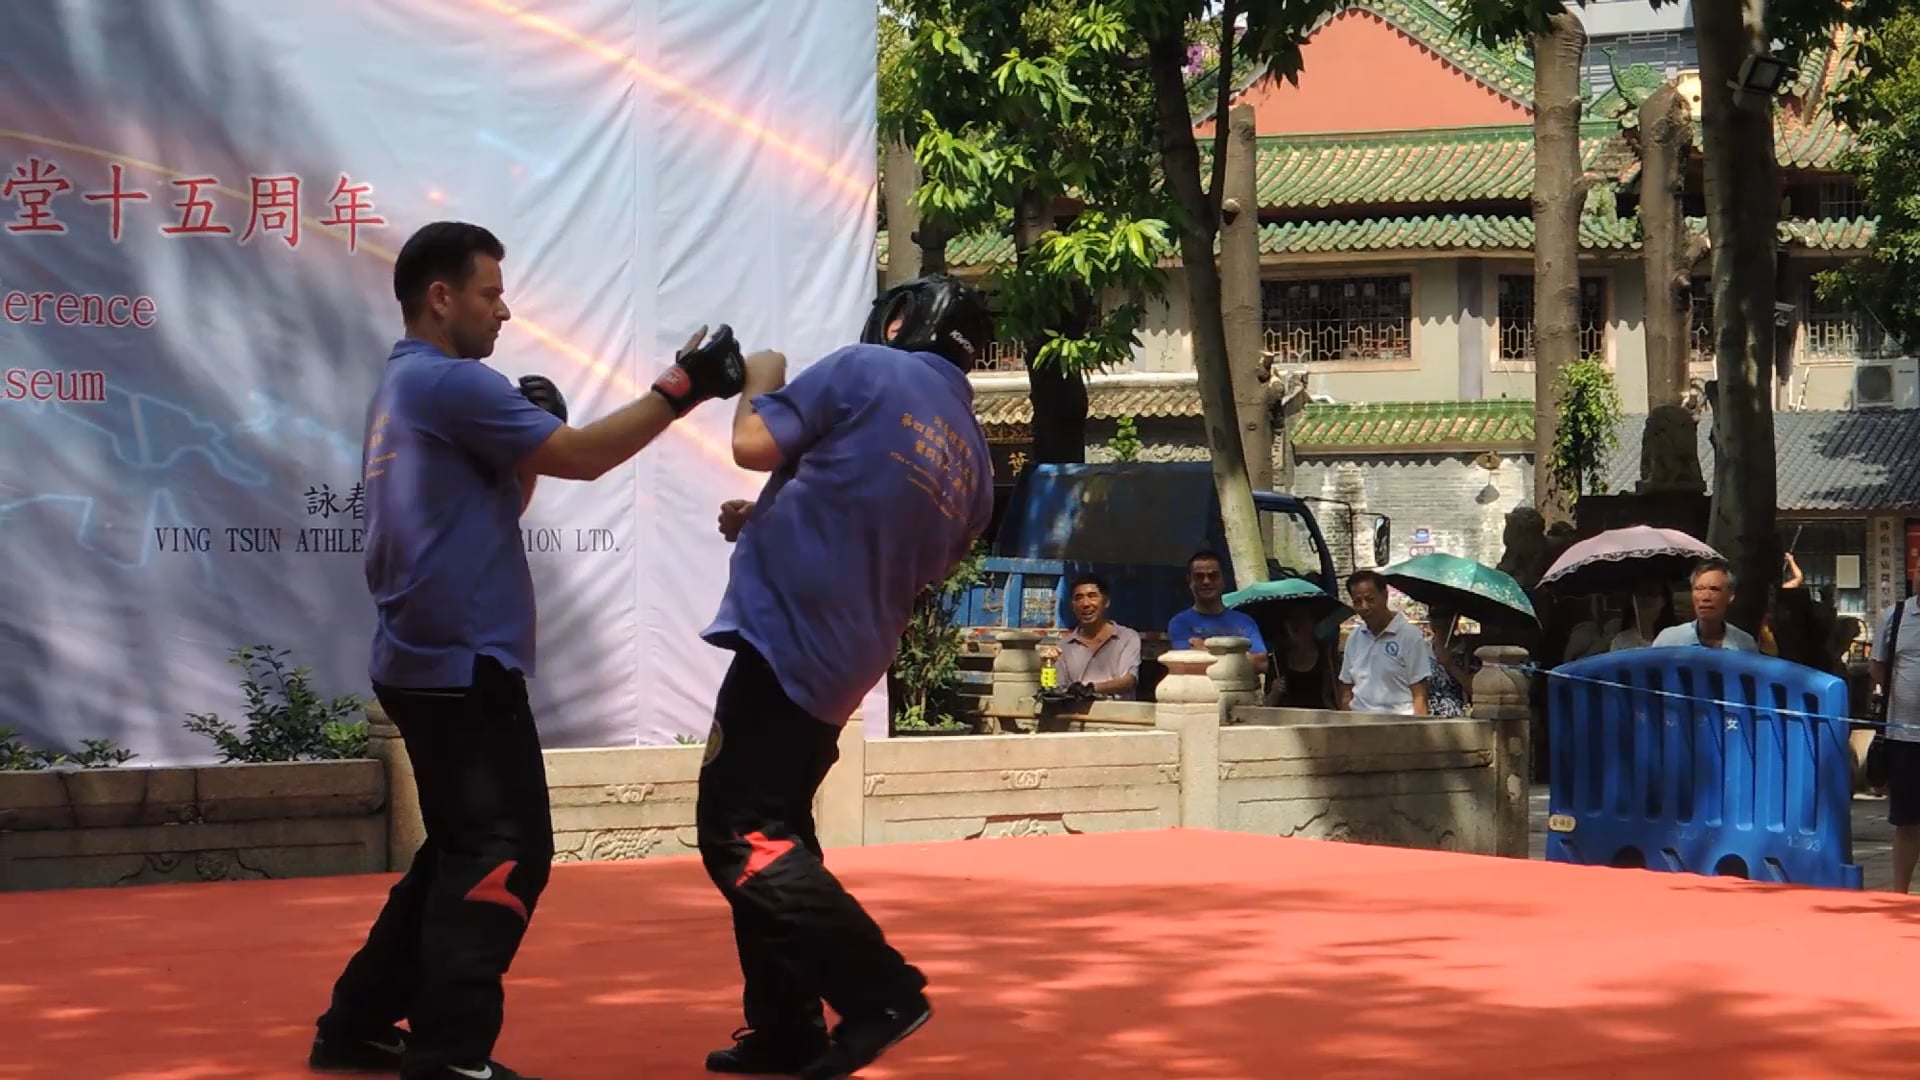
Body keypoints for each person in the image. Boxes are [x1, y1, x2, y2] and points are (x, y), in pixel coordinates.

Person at [308, 221, 753, 1080]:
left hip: (427, 662)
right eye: (489, 293)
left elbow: (488, 513)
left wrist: (527, 448)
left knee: (459, 849)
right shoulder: (446, 384)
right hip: (460, 667)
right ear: (441, 297)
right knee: (505, 852)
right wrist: (683, 385)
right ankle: (449, 1054)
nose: (504, 311)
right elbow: (586, 457)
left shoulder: (404, 389)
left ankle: (358, 1024)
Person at [696, 273, 996, 1079]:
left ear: (897, 321)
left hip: (788, 631)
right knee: (779, 828)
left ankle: (880, 993)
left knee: (740, 834)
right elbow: (919, 552)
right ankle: (786, 1027)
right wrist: (771, 517)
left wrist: (762, 376)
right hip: (849, 655)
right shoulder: (971, 449)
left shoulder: (865, 368)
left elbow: (753, 443)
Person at [1337, 569, 1431, 716]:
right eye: (1357, 602)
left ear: (1385, 595)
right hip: (1359, 724)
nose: (1364, 607)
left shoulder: (1410, 637)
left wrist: (1418, 730)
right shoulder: (1354, 639)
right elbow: (1347, 690)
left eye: (1370, 599)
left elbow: (1419, 693)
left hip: (1398, 725)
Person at [1168, 550, 1268, 674]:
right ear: (1189, 581)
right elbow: (1189, 666)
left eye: (1213, 576)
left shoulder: (1245, 621)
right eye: (1199, 576)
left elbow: (1261, 663)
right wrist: (1240, 656)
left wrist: (1206, 649)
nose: (1206, 581)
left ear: (1223, 580)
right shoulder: (1180, 623)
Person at [1054, 573, 1144, 701]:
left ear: (1106, 602)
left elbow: (1129, 680)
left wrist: (1091, 689)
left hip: (1117, 716)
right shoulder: (1064, 646)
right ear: (1073, 606)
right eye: (1079, 598)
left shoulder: (1127, 637)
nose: (1085, 604)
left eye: (1092, 596)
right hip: (1078, 716)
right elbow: (1060, 688)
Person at [1651, 560, 1759, 652]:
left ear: (1730, 596)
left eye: (1714, 589)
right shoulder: (1669, 641)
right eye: (1699, 589)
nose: (1706, 597)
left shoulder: (1744, 644)